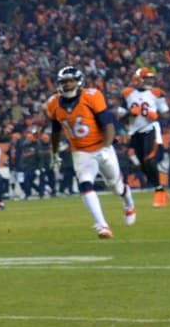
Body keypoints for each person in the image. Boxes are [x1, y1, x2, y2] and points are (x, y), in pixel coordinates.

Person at [45, 66, 137, 238]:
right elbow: (56, 131)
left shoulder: (92, 96)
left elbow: (108, 126)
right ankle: (102, 226)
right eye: (64, 82)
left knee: (116, 187)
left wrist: (104, 147)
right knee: (85, 184)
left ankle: (128, 204)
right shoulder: (53, 104)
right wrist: (54, 153)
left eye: (71, 81)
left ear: (79, 81)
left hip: (102, 146)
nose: (67, 85)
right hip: (81, 152)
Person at [120, 66, 170, 208]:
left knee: (149, 160)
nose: (150, 81)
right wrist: (130, 113)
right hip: (134, 132)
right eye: (147, 78)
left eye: (151, 78)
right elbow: (120, 117)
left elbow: (166, 114)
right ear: (138, 79)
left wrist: (156, 116)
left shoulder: (156, 93)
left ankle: (159, 192)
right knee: (139, 162)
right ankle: (160, 188)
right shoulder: (127, 93)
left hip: (150, 129)